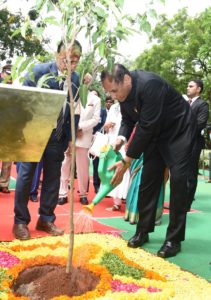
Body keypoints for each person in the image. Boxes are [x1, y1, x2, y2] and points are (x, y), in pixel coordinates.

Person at [101, 64, 197, 258]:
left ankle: (174, 239)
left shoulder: (150, 85)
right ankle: (143, 231)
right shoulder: (124, 94)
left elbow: (147, 126)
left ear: (126, 79)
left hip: (179, 132)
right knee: (148, 180)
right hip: (156, 135)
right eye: (109, 92)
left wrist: (127, 160)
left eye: (114, 90)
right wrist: (121, 138)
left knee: (179, 181)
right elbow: (129, 119)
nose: (113, 96)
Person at [13, 40, 82, 240]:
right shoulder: (39, 71)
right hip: (33, 135)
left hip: (57, 136)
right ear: (57, 55)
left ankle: (46, 219)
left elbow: (74, 111)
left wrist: (70, 137)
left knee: (53, 178)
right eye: (67, 60)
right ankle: (20, 221)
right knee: (26, 177)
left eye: (76, 62)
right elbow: (23, 100)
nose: (72, 66)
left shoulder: (75, 79)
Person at [186, 79, 209, 210]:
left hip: (194, 142)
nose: (187, 88)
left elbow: (200, 123)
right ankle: (180, 200)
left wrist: (181, 129)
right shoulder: (184, 104)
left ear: (198, 89)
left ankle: (186, 203)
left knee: (190, 172)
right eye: (188, 86)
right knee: (179, 173)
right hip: (180, 143)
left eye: (191, 86)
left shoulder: (203, 104)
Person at [75, 88, 101, 204]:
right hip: (68, 133)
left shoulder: (95, 99)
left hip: (83, 135)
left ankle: (83, 194)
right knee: (65, 163)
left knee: (83, 166)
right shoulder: (71, 92)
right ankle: (62, 193)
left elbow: (96, 119)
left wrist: (80, 127)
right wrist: (71, 128)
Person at [104, 101, 130, 211]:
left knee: (124, 170)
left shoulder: (130, 105)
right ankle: (116, 201)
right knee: (113, 170)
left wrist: (129, 142)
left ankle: (125, 199)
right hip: (112, 142)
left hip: (125, 144)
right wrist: (107, 126)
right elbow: (105, 127)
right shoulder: (114, 107)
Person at [0, 64, 13, 193]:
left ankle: (4, 183)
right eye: (7, 73)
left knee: (8, 158)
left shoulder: (14, 89)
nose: (9, 77)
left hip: (9, 126)